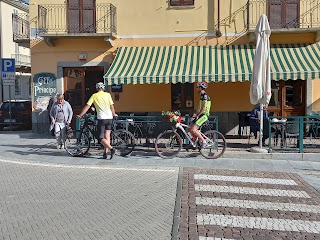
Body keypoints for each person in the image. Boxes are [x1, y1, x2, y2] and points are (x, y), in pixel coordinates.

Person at [76, 82, 118, 159]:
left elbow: (87, 106)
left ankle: (111, 149)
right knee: (107, 135)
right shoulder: (107, 95)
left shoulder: (94, 96)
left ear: (96, 88)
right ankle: (105, 153)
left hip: (102, 118)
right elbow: (112, 106)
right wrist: (114, 114)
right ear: (103, 88)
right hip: (109, 117)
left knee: (100, 137)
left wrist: (81, 115)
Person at [189, 82, 211, 147]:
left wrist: (198, 115)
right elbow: (199, 108)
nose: (197, 88)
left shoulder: (205, 96)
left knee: (193, 129)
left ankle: (204, 141)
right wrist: (195, 114)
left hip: (204, 115)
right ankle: (195, 139)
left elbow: (204, 108)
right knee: (190, 128)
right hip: (200, 114)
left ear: (201, 88)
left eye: (198, 87)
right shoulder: (201, 95)